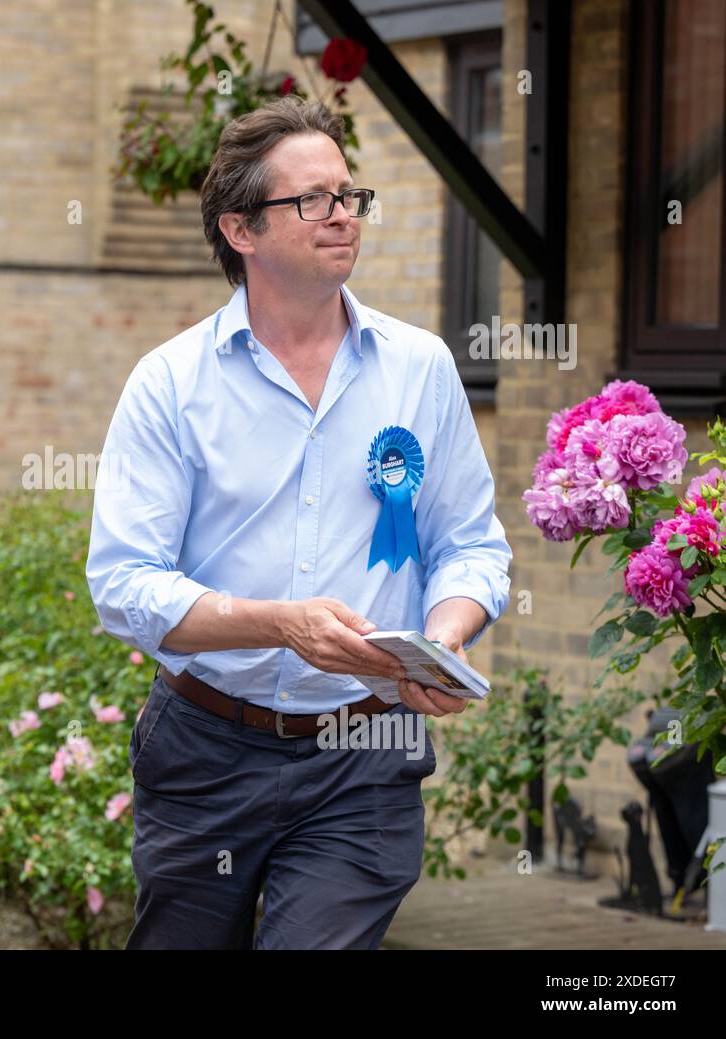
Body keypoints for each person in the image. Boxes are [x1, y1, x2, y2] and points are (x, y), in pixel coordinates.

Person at [86, 97, 512, 949]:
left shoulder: (420, 368)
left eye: (350, 195)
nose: (342, 216)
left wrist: (443, 637)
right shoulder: (171, 383)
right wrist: (281, 625)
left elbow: (470, 544)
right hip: (206, 745)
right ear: (241, 230)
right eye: (311, 199)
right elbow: (124, 585)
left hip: (365, 749)